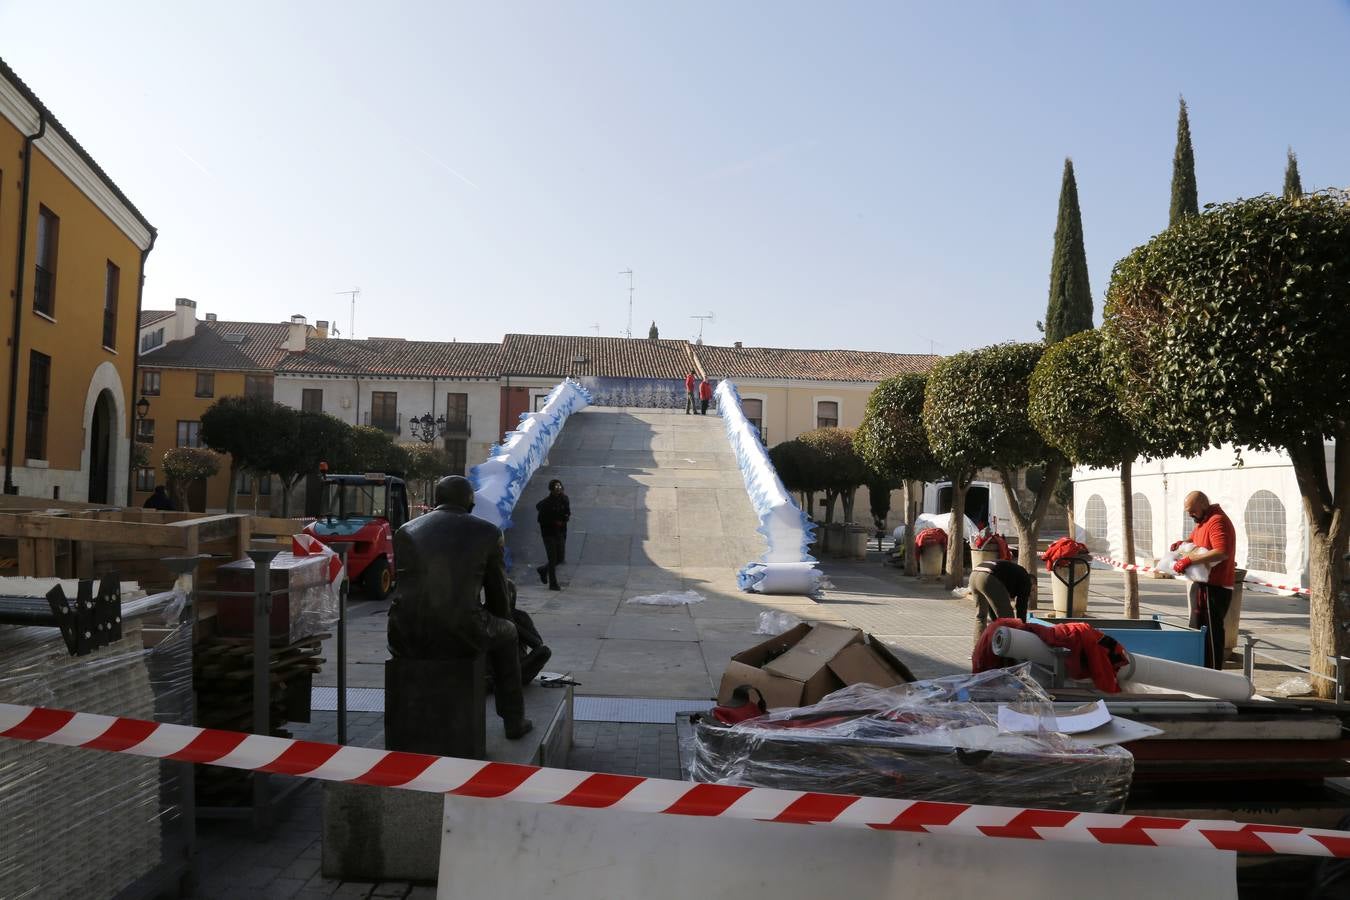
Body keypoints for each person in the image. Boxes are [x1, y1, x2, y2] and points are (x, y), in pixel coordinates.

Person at [388, 475, 532, 739]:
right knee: (508, 632)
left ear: (436, 500)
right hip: (460, 632)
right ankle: (514, 719)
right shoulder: (488, 533)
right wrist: (502, 622)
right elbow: (499, 598)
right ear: (470, 503)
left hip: (403, 634)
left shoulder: (405, 531)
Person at [1171, 491, 1237, 670]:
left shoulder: (1217, 521)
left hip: (1215, 587)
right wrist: (1181, 545)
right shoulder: (1203, 521)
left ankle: (1213, 670)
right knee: (1197, 628)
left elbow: (1221, 551)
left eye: (1192, 510)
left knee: (1210, 632)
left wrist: (1189, 560)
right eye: (1187, 511)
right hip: (1202, 584)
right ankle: (1199, 667)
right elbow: (1194, 539)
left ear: (1203, 505)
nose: (1190, 514)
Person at [969, 558, 1033, 638]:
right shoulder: (1026, 580)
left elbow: (992, 605)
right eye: (1033, 589)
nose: (1031, 591)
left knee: (981, 616)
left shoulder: (1014, 575)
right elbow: (1021, 606)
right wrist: (1022, 627)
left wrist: (995, 620)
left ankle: (978, 648)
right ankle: (1008, 648)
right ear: (1032, 582)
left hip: (974, 574)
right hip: (988, 577)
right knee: (1008, 619)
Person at [535, 479, 570, 591]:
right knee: (552, 558)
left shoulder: (565, 499)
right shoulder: (546, 503)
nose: (558, 490)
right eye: (556, 488)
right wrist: (553, 522)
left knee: (560, 558)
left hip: (560, 532)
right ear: (551, 490)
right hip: (549, 534)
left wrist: (564, 519)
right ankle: (553, 584)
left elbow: (567, 512)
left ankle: (543, 570)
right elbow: (540, 519)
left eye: (560, 488)